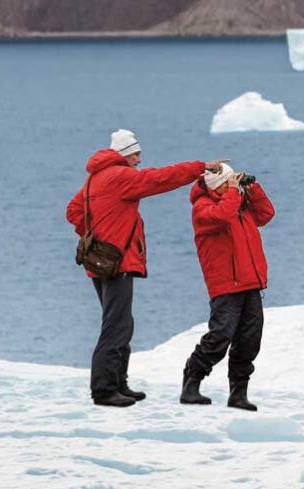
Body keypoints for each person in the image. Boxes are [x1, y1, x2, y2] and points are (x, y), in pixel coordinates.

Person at [67, 129, 226, 407]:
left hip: (100, 260)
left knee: (121, 322)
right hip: (117, 262)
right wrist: (200, 167)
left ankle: (119, 383)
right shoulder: (120, 176)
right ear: (123, 153)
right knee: (115, 327)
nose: (139, 159)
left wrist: (96, 236)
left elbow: (73, 211)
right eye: (136, 154)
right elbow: (160, 179)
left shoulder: (94, 179)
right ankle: (104, 391)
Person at [180, 163, 274, 410]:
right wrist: (234, 192)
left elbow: (265, 214)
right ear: (214, 185)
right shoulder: (203, 209)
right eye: (226, 181)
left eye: (232, 180)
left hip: (250, 282)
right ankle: (191, 383)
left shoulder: (238, 204)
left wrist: (251, 188)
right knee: (220, 336)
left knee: (249, 340)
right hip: (226, 284)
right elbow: (222, 215)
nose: (231, 185)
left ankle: (238, 393)